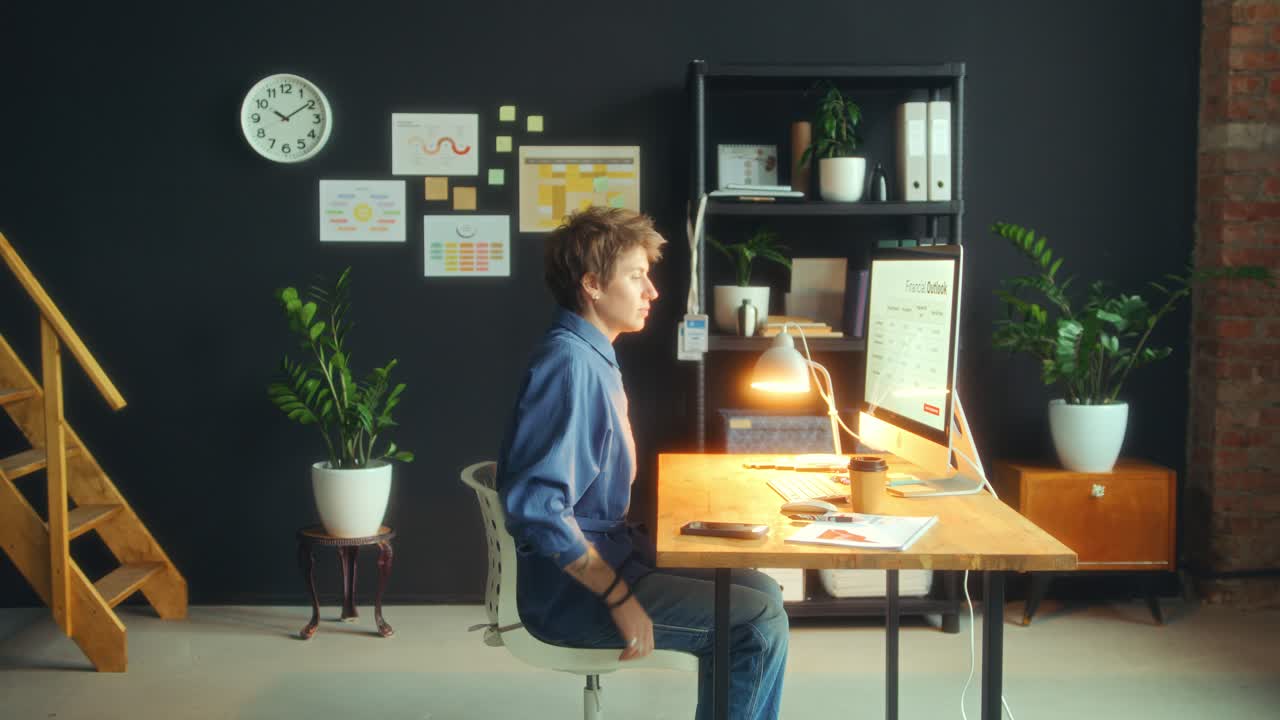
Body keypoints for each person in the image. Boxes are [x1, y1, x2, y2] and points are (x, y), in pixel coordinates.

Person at [496, 206, 789, 719]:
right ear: (591, 284)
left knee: (761, 590)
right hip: (573, 595)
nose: (652, 291)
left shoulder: (593, 354)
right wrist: (619, 598)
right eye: (636, 277)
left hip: (609, 559)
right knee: (756, 620)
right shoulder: (569, 365)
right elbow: (537, 509)